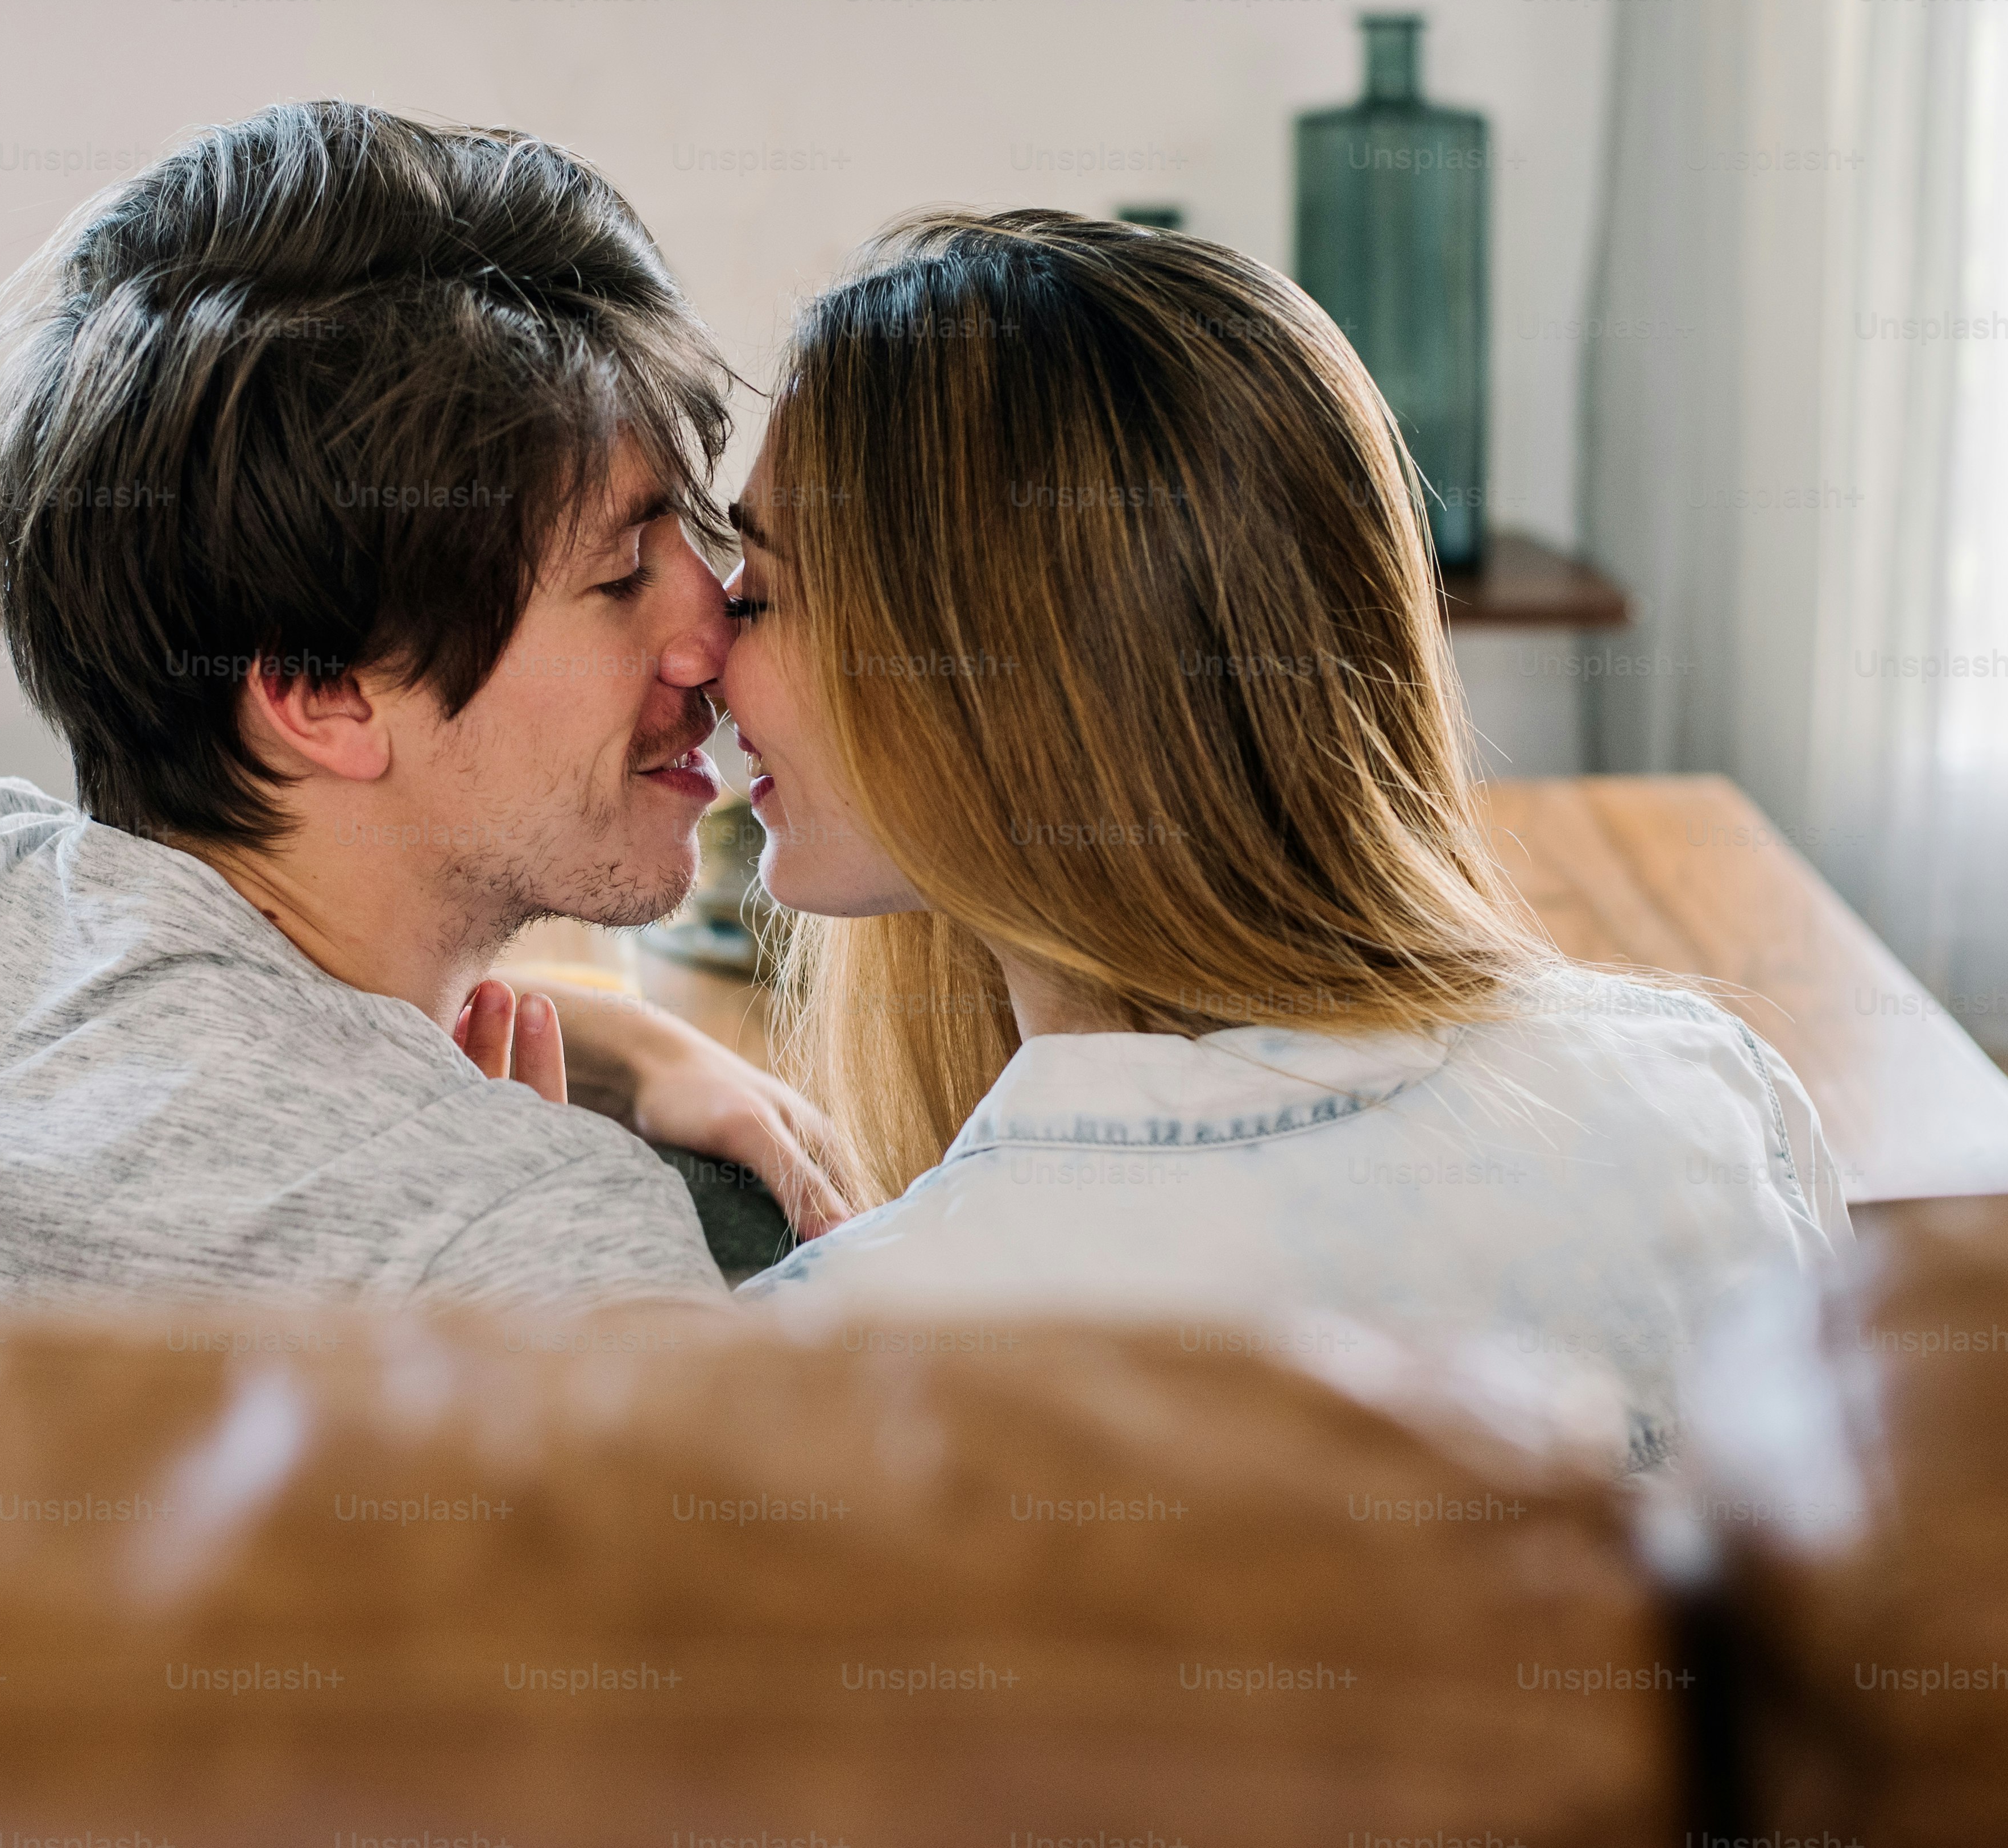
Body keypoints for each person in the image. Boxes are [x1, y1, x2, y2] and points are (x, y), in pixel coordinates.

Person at [0, 102, 842, 1314]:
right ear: (318, 690)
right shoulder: (537, 1250)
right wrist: (512, 1185)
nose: (711, 636)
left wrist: (614, 1047)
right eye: (620, 574)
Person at [711, 211, 1847, 1469]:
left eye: (756, 594)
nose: (707, 661)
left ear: (997, 681)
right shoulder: (1714, 1102)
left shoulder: (838, 1361)